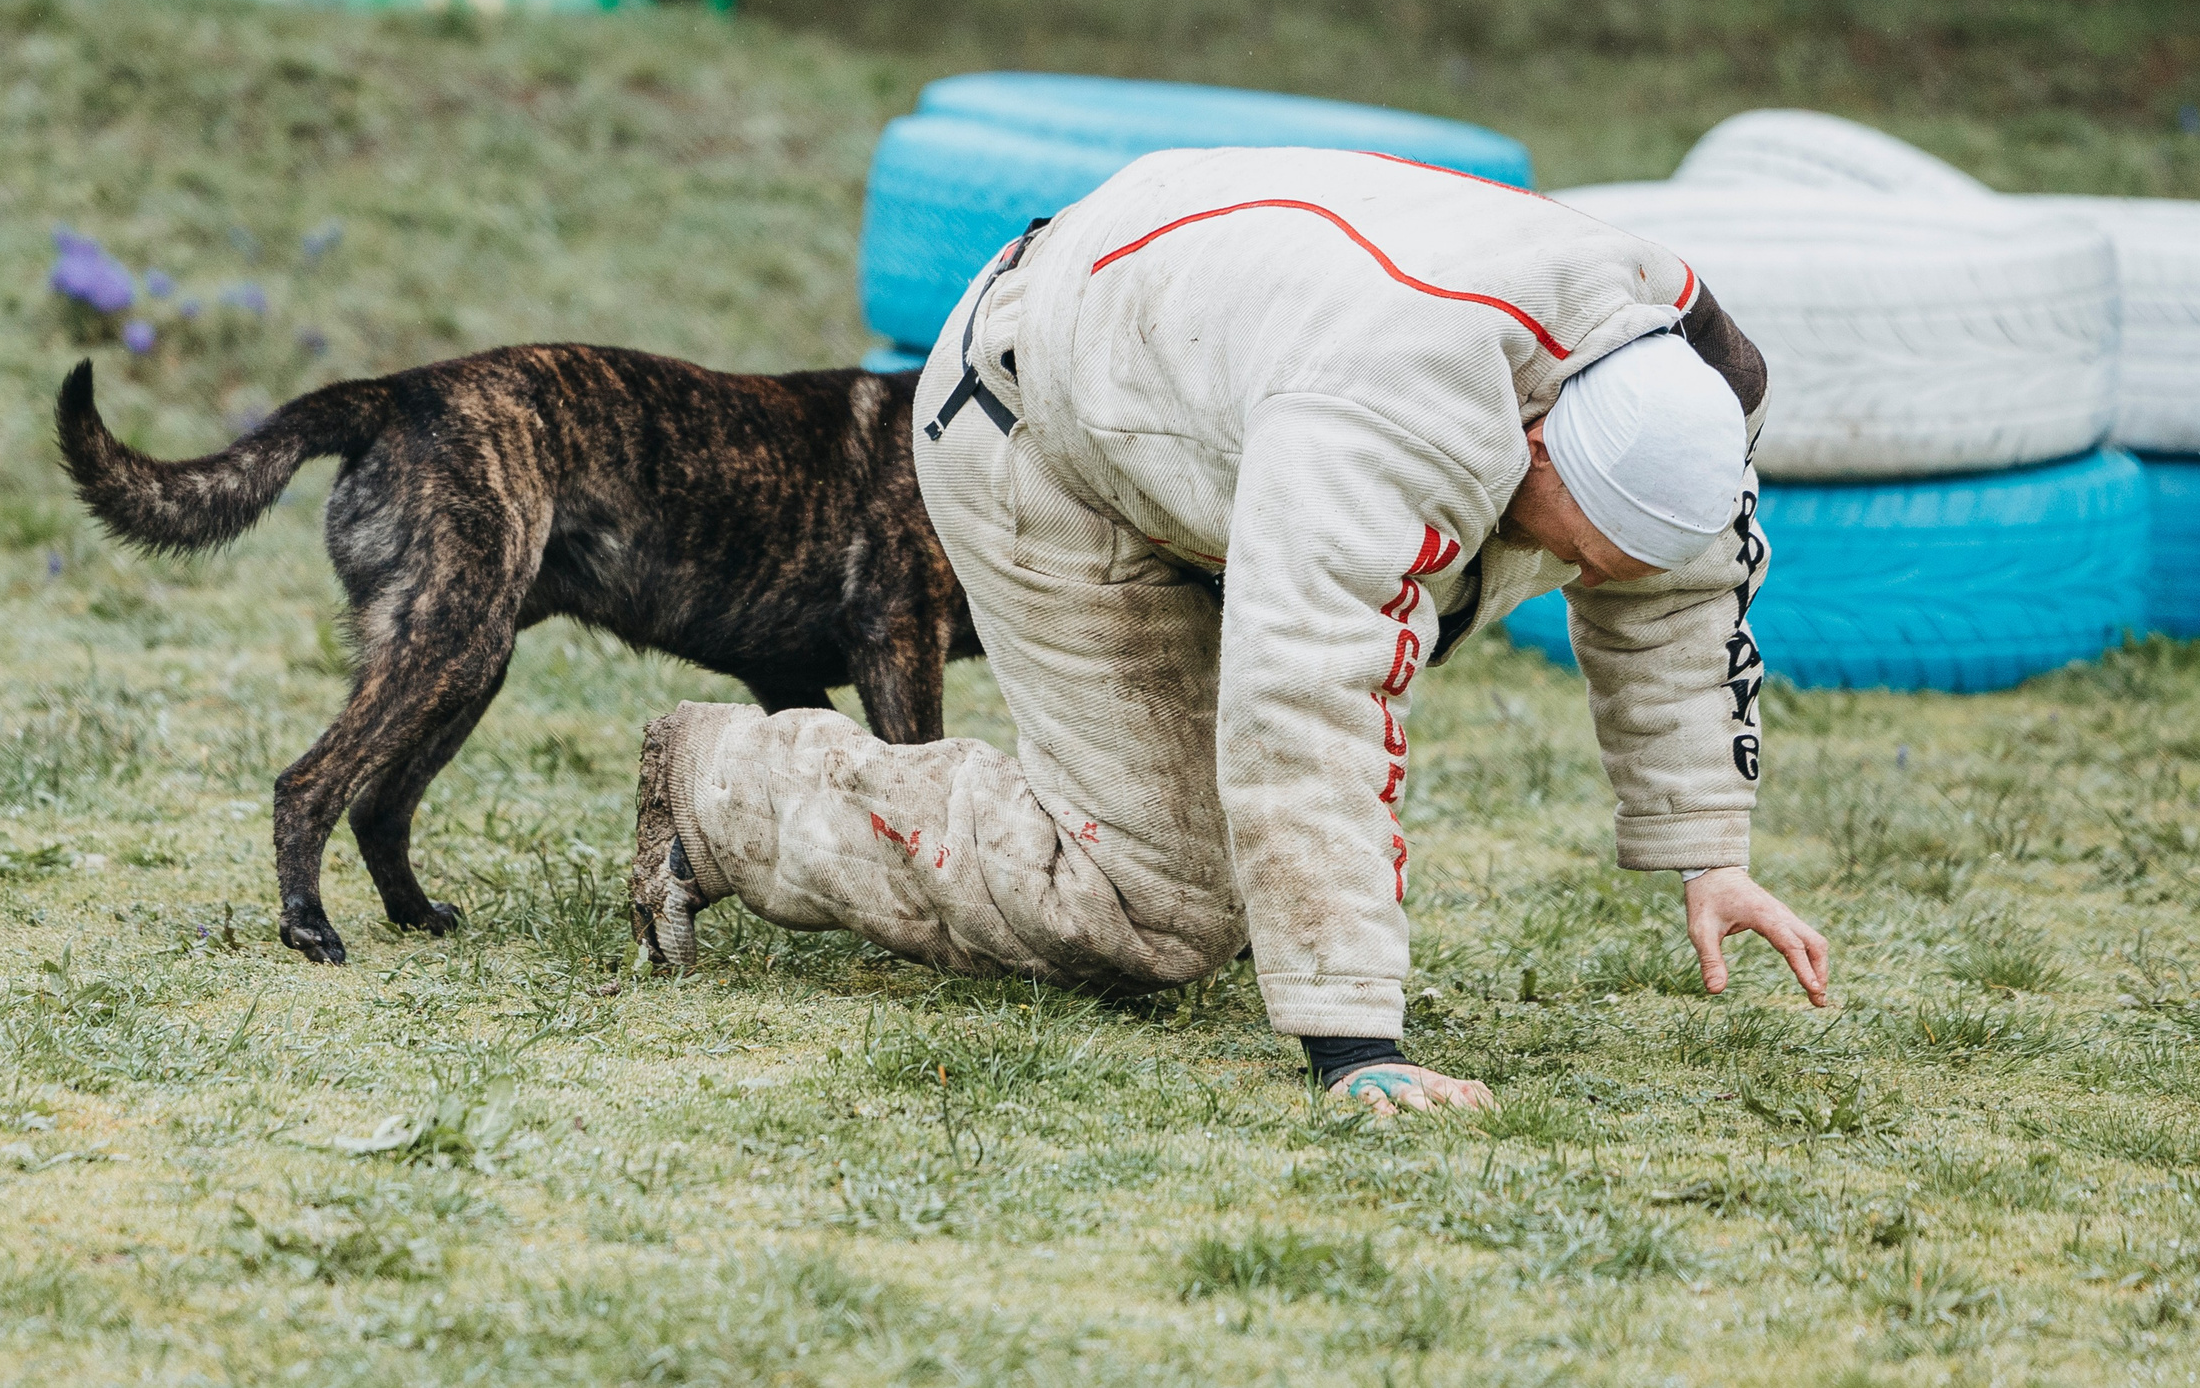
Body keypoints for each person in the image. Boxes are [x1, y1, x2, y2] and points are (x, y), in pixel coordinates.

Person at [628, 147, 1829, 1115]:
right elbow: (1309, 702)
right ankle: (730, 788)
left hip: (1201, 363)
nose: (1571, 574)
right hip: (1041, 424)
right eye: (1570, 547)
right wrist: (1356, 1044)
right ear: (1536, 437)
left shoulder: (1697, 384)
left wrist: (1707, 848)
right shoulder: (1392, 413)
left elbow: (1678, 599)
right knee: (1153, 904)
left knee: (1208, 866)